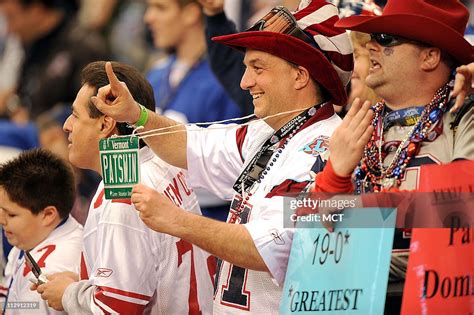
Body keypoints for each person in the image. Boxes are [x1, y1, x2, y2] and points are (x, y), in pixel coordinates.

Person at [92, 1, 353, 313]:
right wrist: (136, 114)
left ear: (299, 76)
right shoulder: (269, 132)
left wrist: (177, 221)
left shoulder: (324, 150)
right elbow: (187, 144)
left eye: (258, 68)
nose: (244, 82)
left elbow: (269, 248)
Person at [312, 0, 473, 312]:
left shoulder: (465, 116)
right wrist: (335, 176)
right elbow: (306, 235)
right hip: (353, 301)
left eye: (385, 39)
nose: (371, 46)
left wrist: (352, 209)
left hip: (435, 301)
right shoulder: (354, 126)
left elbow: (460, 214)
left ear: (429, 56)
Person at [33, 61, 214, 314]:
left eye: (75, 115)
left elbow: (117, 308)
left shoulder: (123, 196)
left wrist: (68, 295)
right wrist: (86, 285)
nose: (66, 126)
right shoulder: (165, 162)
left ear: (106, 124)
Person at [144, 0, 243, 221]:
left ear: (190, 13)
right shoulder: (156, 74)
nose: (148, 18)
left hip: (209, 228)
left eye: (160, 8)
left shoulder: (227, 81)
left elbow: (238, 168)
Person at [0, 149, 83, 314]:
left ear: (48, 215)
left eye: (11, 214)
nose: (2, 219)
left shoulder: (54, 269)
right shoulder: (32, 236)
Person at [0, 0, 108, 121]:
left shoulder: (85, 47)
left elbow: (92, 109)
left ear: (36, 12)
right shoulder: (30, 42)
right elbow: (22, 95)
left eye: (11, 17)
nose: (8, 29)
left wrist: (36, 120)